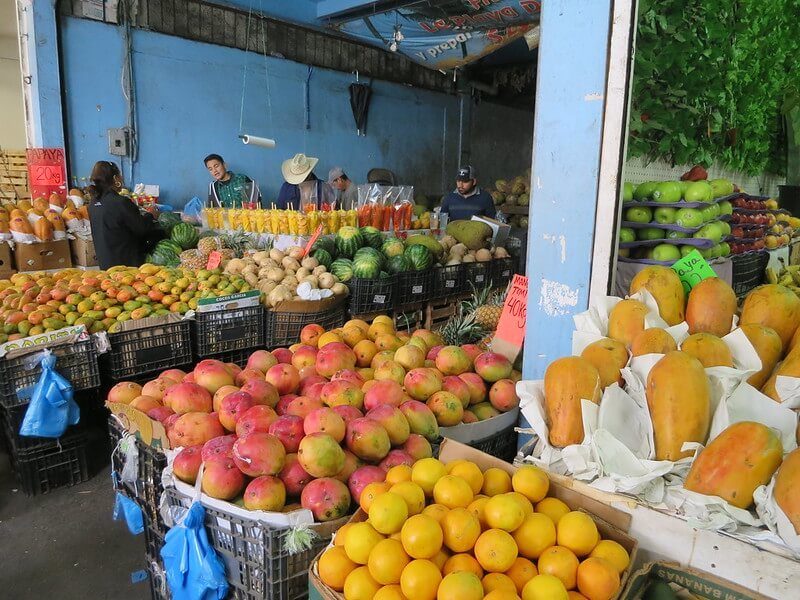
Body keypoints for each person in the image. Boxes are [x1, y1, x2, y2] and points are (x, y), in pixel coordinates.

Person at [87, 160, 164, 269]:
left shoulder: (93, 203)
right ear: (115, 178)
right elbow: (141, 228)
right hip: (126, 266)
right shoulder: (121, 202)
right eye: (120, 175)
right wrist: (151, 215)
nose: (122, 178)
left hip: (105, 264)